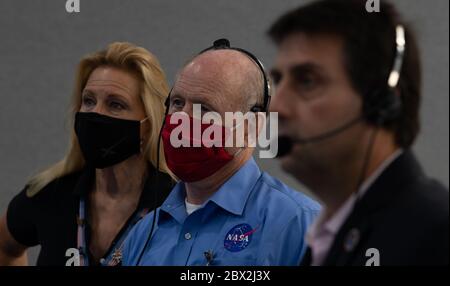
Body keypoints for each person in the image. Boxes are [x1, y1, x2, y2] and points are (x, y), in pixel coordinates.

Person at [268, 0, 449, 266]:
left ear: (381, 102)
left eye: (306, 81)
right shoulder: (326, 239)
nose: (276, 106)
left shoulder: (436, 234)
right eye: (278, 80)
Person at [121, 40, 320, 266]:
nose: (181, 119)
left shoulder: (300, 225)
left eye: (204, 109)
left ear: (250, 128)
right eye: (177, 103)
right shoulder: (144, 234)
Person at [0, 42, 174, 266]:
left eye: (115, 104)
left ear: (148, 124)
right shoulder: (50, 193)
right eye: (89, 101)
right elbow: (5, 246)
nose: (96, 114)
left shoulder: (176, 204)